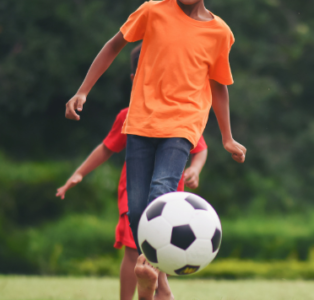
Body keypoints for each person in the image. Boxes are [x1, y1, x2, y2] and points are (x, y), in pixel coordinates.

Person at [64, 1, 246, 299]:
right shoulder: (153, 10)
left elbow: (218, 85)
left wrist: (227, 137)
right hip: (141, 121)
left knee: (160, 190)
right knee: (137, 210)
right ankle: (158, 285)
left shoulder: (219, 32)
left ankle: (150, 274)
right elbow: (114, 45)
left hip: (183, 124)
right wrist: (83, 90)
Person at [55, 43, 209, 300]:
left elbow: (200, 148)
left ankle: (158, 291)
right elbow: (106, 148)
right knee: (132, 250)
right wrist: (79, 173)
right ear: (134, 78)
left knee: (163, 248)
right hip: (134, 196)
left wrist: (195, 168)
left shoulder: (182, 114)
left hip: (171, 200)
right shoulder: (129, 115)